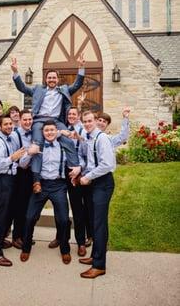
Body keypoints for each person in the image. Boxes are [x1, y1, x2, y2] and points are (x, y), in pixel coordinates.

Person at [10, 55, 85, 193]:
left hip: (56, 121)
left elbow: (77, 84)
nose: (51, 80)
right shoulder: (38, 89)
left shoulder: (64, 90)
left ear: (57, 79)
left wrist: (81, 68)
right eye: (49, 77)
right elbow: (22, 88)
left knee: (68, 142)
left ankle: (75, 172)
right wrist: (15, 72)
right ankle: (36, 181)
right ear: (46, 79)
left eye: (54, 78)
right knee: (37, 146)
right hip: (39, 120)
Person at [20, 120, 81, 264]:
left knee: (63, 219)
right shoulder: (37, 146)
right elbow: (23, 164)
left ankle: (64, 249)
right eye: (46, 130)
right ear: (42, 133)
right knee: (29, 217)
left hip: (58, 186)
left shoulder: (64, 146)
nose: (49, 132)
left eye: (52, 130)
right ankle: (26, 248)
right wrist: (29, 152)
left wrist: (78, 168)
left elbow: (75, 161)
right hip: (40, 184)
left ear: (57, 131)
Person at [71, 111, 115, 279]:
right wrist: (81, 174)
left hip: (103, 183)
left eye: (90, 121)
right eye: (85, 122)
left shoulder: (101, 138)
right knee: (96, 221)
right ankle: (96, 256)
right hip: (95, 182)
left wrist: (88, 177)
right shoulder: (89, 138)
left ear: (96, 121)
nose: (88, 124)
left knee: (99, 224)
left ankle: (99, 266)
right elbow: (90, 162)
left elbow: (106, 164)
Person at [48, 107, 87, 256]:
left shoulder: (82, 132)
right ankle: (60, 237)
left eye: (74, 114)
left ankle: (81, 242)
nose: (71, 116)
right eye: (69, 114)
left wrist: (79, 167)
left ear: (78, 116)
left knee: (77, 208)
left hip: (74, 171)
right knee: (60, 208)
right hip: (59, 173)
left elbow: (85, 154)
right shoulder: (59, 131)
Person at [0, 113, 26, 267]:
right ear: (0, 126)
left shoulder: (9, 138)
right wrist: (13, 158)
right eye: (6, 124)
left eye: (11, 124)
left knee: (5, 215)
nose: (9, 126)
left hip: (10, 180)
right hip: (1, 181)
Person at [9, 109, 35, 249]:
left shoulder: (34, 133)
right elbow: (16, 158)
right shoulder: (15, 135)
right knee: (19, 206)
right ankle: (16, 236)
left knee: (29, 206)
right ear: (19, 120)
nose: (27, 122)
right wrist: (29, 153)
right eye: (25, 119)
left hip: (32, 173)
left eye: (30, 119)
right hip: (20, 173)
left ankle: (26, 235)